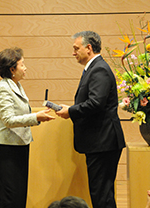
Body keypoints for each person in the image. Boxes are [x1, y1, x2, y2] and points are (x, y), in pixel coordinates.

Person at [56, 31, 126, 208]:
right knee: (101, 193)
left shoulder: (99, 69)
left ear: (89, 48)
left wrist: (71, 111)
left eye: (76, 48)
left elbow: (96, 103)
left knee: (101, 195)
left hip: (103, 141)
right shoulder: (95, 68)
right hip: (100, 141)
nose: (73, 53)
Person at [0, 47, 55, 208]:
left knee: (18, 195)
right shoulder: (4, 89)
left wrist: (38, 115)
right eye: (22, 64)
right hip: (5, 149)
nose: (25, 68)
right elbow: (9, 120)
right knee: (7, 197)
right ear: (12, 69)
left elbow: (19, 113)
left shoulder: (15, 85)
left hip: (18, 146)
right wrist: (36, 117)